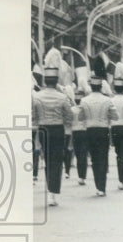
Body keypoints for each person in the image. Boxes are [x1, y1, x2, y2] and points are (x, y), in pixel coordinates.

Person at [32, 65, 73, 207]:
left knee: (48, 159)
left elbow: (34, 116)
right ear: (56, 81)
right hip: (58, 130)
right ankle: (53, 193)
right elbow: (69, 116)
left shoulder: (36, 96)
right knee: (56, 161)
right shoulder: (62, 97)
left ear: (44, 80)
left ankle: (50, 190)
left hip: (43, 130)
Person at [79, 73, 117, 197]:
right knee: (103, 158)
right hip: (103, 130)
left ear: (91, 86)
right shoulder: (107, 100)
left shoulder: (84, 100)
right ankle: (102, 187)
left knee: (94, 159)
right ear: (101, 86)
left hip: (90, 131)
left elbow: (80, 117)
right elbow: (115, 116)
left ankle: (98, 186)